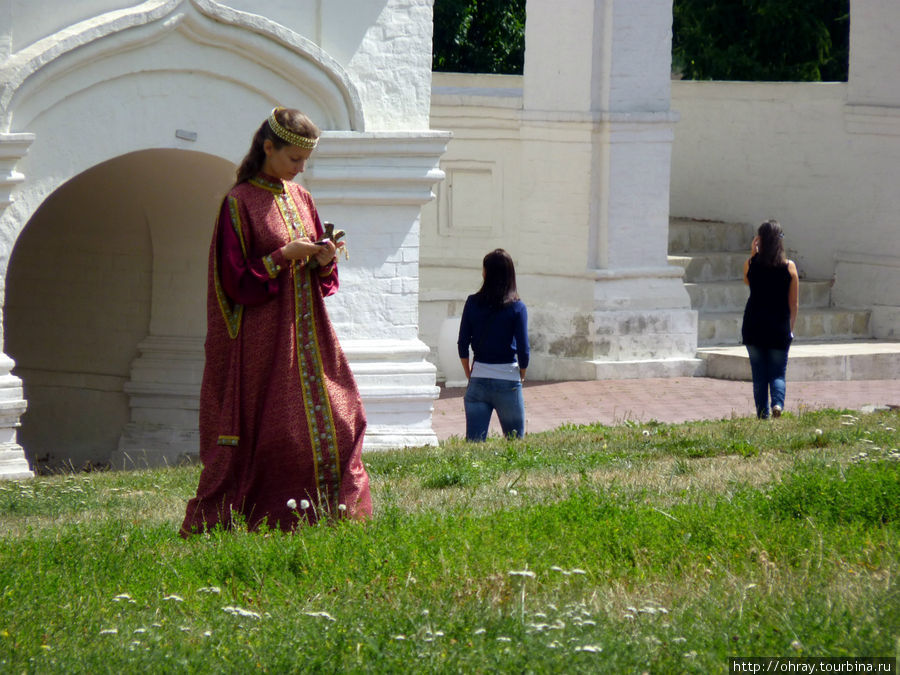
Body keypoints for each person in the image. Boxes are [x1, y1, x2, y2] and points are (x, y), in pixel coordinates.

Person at [180, 107, 372, 535]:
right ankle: (268, 520)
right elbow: (233, 281)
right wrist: (282, 257)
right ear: (268, 148)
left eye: (305, 160)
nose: (301, 169)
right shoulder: (238, 203)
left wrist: (323, 258)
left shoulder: (302, 198)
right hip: (265, 339)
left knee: (346, 417)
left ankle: (336, 515)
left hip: (311, 331)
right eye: (294, 159)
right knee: (280, 431)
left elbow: (325, 276)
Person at [457, 249, 530, 441]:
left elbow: (462, 343)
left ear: (486, 273)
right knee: (515, 442)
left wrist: (469, 372)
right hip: (508, 380)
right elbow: (524, 349)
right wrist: (521, 374)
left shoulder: (472, 302)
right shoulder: (517, 307)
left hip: (478, 379)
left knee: (474, 444)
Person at [741, 219, 799, 419]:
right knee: (777, 373)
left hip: (753, 326)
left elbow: (748, 280)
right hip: (778, 327)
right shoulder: (789, 267)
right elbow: (794, 303)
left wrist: (753, 254)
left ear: (760, 240)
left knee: (759, 375)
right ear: (779, 241)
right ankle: (777, 404)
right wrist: (790, 328)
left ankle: (762, 415)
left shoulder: (751, 264)